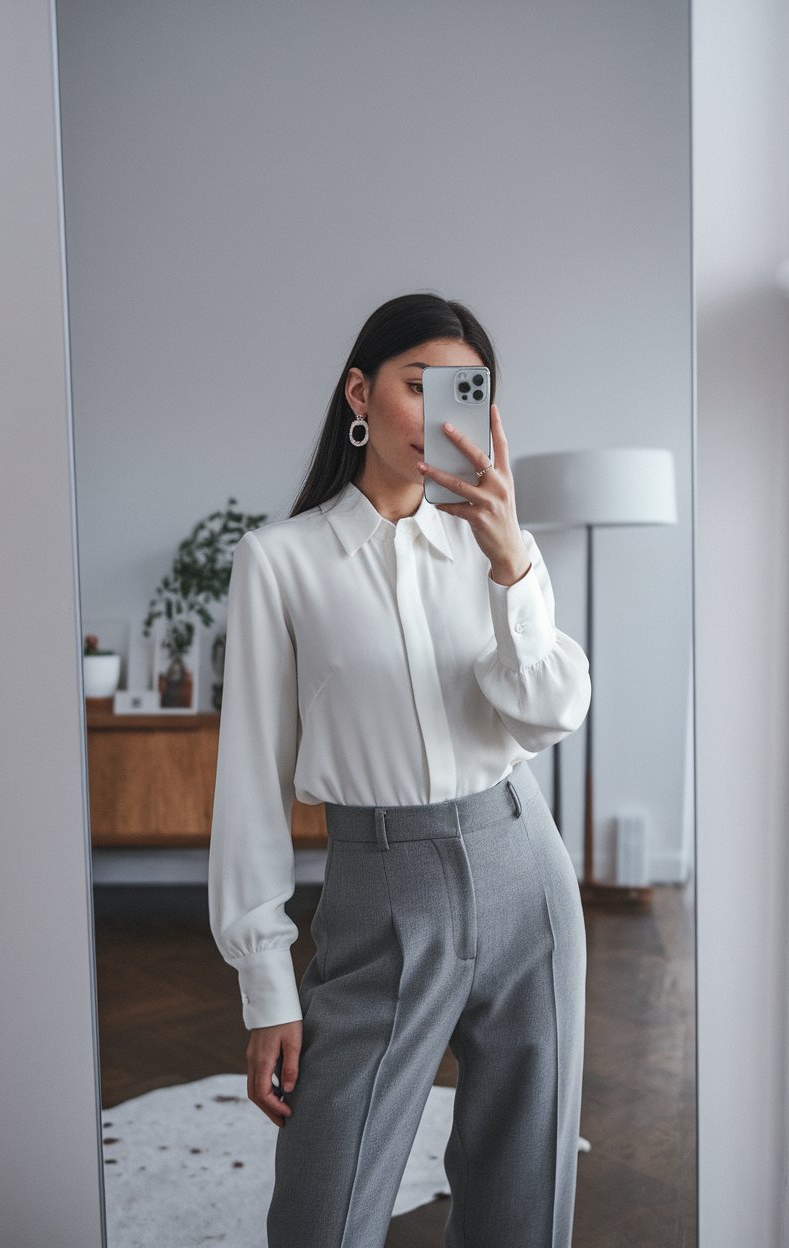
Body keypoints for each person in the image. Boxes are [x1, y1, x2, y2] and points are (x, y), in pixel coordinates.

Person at [207, 292, 591, 1248]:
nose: (436, 412)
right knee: (323, 1206)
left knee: (523, 1187)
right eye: (415, 385)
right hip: (379, 890)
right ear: (359, 394)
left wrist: (511, 566)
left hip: (523, 868)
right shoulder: (279, 563)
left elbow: (550, 713)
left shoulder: (496, 545)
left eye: (462, 391)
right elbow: (250, 783)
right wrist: (266, 988)